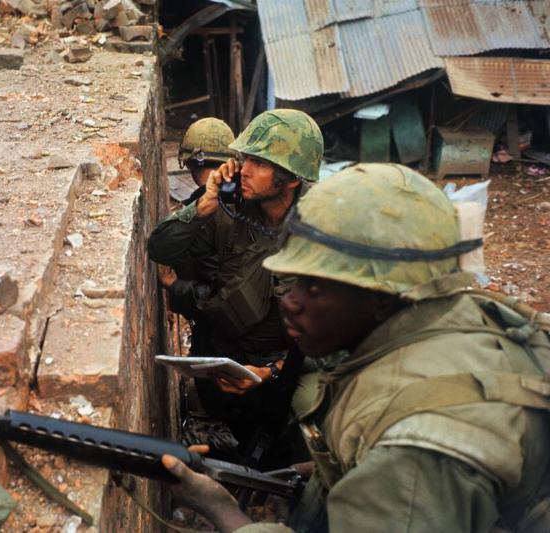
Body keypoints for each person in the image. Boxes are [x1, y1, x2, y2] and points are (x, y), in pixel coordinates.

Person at [162, 163, 550, 532]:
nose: (290, 301)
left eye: (314, 286)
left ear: (380, 296)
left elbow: (411, 468)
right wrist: (316, 474)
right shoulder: (454, 312)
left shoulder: (415, 451)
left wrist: (222, 510)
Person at [149, 109, 324, 457]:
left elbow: (338, 342)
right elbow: (160, 247)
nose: (242, 169)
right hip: (227, 354)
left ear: (289, 180)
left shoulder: (323, 227)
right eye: (245, 158)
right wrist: (204, 204)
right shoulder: (229, 209)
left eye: (259, 163)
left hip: (285, 363)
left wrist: (269, 372)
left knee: (310, 410)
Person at [159, 118, 236, 357]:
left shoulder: (200, 214)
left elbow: (221, 297)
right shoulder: (244, 200)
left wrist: (173, 286)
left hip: (224, 339)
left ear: (189, 164)